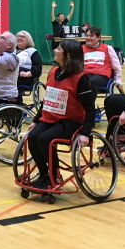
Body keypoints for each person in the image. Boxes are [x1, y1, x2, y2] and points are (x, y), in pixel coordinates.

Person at [27, 39, 95, 190]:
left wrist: (85, 132)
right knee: (32, 137)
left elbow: (90, 109)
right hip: (50, 118)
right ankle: (45, 175)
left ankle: (54, 175)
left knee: (44, 139)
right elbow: (47, 99)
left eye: (58, 48)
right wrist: (36, 120)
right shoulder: (52, 72)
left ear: (68, 54)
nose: (55, 50)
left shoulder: (80, 78)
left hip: (70, 122)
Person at [82, 26, 123, 94]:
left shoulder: (107, 48)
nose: (88, 38)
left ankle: (89, 104)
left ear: (98, 38)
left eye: (91, 36)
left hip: (101, 76)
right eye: (87, 35)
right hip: (85, 75)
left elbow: (116, 66)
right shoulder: (80, 49)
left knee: (90, 81)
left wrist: (118, 79)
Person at [14, 30, 43, 94]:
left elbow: (38, 67)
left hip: (26, 76)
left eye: (22, 36)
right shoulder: (12, 51)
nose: (19, 38)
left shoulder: (32, 51)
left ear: (28, 40)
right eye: (18, 36)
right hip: (12, 74)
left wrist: (29, 73)